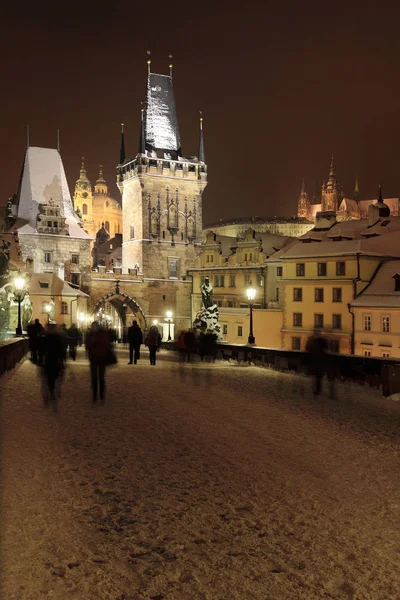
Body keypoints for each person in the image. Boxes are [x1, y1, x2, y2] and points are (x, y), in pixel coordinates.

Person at [85, 322, 110, 404]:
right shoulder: (90, 334)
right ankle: (95, 396)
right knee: (94, 378)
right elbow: (87, 345)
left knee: (101, 378)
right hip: (93, 358)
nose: (94, 328)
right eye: (93, 327)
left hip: (101, 358)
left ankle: (102, 396)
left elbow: (106, 345)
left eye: (95, 327)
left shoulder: (102, 334)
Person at [41, 323, 65, 409]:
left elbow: (42, 350)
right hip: (56, 361)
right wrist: (62, 361)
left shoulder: (46, 338)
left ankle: (50, 395)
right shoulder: (58, 338)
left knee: (49, 379)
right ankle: (53, 394)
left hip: (49, 361)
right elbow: (62, 351)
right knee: (55, 378)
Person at [305, 330, 328, 395]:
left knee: (316, 376)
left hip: (314, 361)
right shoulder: (322, 341)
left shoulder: (312, 340)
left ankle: (316, 389)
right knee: (318, 377)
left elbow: (307, 348)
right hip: (319, 361)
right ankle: (318, 389)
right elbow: (326, 349)